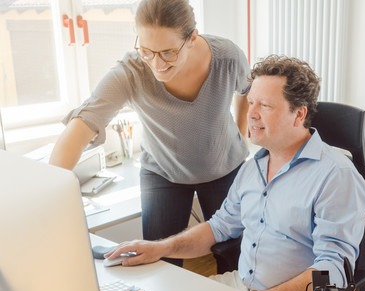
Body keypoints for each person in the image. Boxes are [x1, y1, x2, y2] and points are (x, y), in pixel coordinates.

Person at [105, 55, 365, 291]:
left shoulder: (336, 176)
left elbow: (332, 271)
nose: (251, 113)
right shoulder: (251, 168)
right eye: (251, 101)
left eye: (265, 106)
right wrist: (161, 247)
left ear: (299, 115)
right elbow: (219, 227)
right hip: (240, 289)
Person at [49, 0, 250, 266]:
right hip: (163, 171)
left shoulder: (227, 57)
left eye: (168, 52)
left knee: (234, 254)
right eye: (146, 50)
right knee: (159, 259)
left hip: (223, 166)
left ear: (192, 38)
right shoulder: (131, 72)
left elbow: (246, 91)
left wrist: (241, 132)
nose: (156, 64)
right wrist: (51, 195)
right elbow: (82, 125)